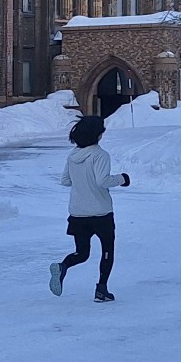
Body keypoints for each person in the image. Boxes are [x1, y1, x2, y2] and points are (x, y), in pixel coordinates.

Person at [51, 114, 131, 301]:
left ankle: (63, 266)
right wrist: (122, 179)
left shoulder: (73, 155)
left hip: (78, 213)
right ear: (97, 135)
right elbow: (103, 181)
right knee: (107, 250)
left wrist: (81, 182)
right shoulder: (100, 155)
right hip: (101, 213)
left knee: (82, 253)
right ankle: (101, 289)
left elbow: (65, 181)